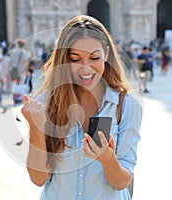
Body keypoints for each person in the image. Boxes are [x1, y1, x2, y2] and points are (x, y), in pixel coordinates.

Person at [21, 15, 142, 200]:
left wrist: (107, 159)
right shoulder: (47, 102)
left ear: (106, 54)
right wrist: (36, 130)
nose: (86, 68)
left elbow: (122, 182)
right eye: (75, 59)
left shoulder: (125, 106)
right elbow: (38, 178)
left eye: (94, 57)